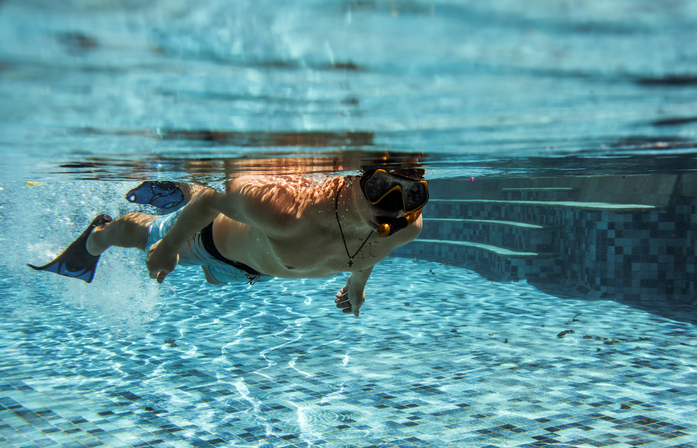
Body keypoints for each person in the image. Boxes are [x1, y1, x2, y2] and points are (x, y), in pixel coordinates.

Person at [28, 167, 428, 317]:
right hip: (210, 242)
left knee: (214, 281)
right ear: (358, 177)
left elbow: (369, 251)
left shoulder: (406, 227)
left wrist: (356, 291)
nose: (393, 206)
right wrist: (168, 248)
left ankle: (185, 190)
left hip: (256, 268)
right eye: (379, 187)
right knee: (146, 234)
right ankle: (96, 238)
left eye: (410, 195)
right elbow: (216, 199)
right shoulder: (288, 210)